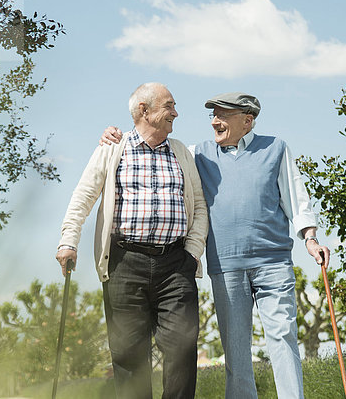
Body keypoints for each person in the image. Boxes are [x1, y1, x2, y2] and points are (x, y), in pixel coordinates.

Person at [100, 91, 330, 399]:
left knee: (283, 337)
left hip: (273, 263)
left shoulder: (275, 149)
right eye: (213, 115)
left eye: (222, 115)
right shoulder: (198, 153)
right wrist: (115, 135)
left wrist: (311, 238)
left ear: (247, 120)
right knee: (235, 349)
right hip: (226, 266)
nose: (214, 121)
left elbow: (296, 198)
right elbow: (154, 145)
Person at [56, 82, 208, 399]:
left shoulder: (181, 152)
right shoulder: (113, 148)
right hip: (125, 264)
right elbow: (82, 198)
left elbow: (200, 205)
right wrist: (68, 241)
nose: (175, 113)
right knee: (129, 359)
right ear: (144, 110)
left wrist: (192, 254)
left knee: (182, 347)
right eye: (169, 106)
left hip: (175, 265)